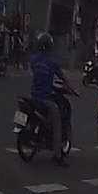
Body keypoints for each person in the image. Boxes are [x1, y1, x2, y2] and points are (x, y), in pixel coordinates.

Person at [29, 33, 68, 165]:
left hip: (33, 96)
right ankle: (57, 155)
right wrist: (73, 89)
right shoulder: (52, 63)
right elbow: (63, 78)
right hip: (45, 98)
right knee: (57, 121)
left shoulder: (34, 60)